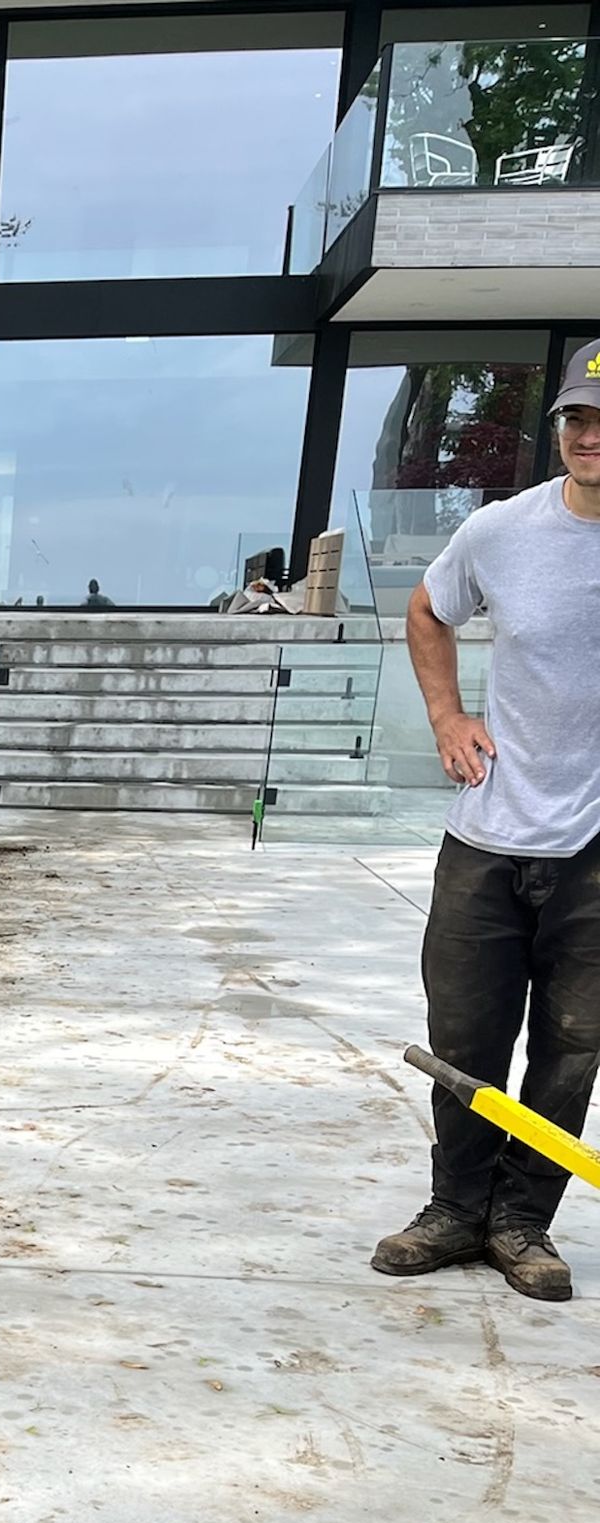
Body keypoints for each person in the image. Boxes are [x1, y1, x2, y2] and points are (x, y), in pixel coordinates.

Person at [373, 339, 600, 1304]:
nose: (593, 437)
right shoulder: (502, 532)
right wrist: (446, 716)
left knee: (573, 1045)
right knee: (466, 1039)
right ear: (559, 431)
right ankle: (456, 1209)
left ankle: (522, 1223)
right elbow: (429, 612)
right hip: (487, 838)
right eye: (579, 419)